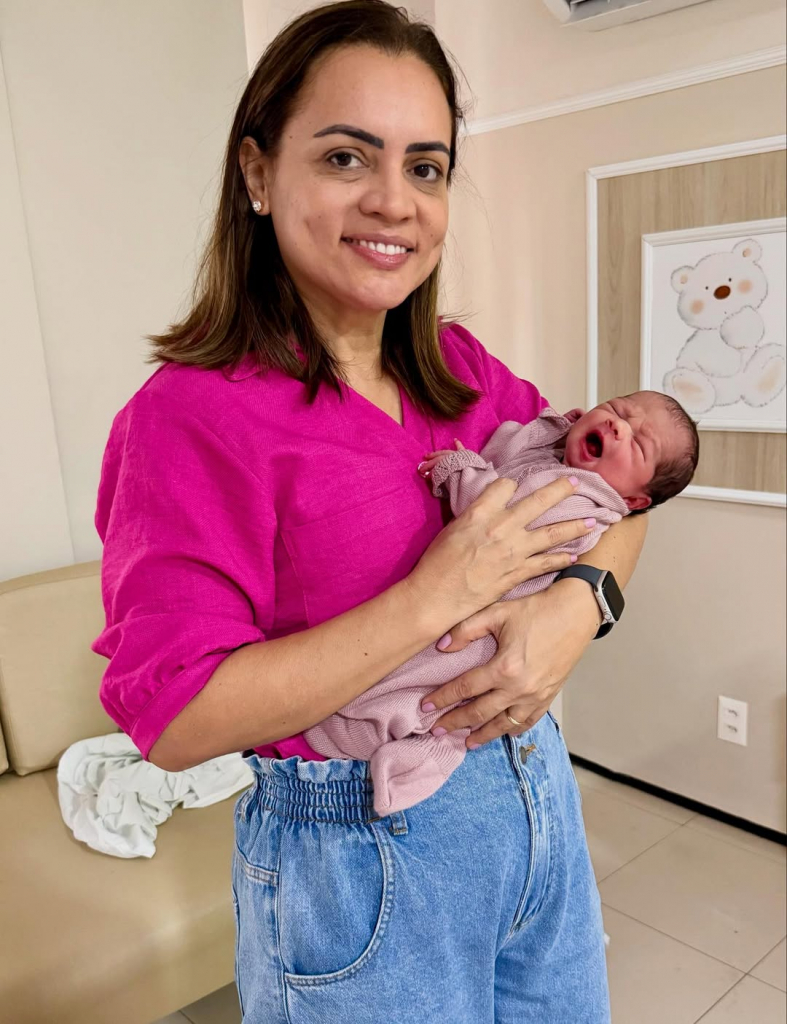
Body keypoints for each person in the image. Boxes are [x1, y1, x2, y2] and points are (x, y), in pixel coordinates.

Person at [91, 3, 649, 1021]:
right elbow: (175, 719)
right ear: (258, 173)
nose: (394, 201)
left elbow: (623, 496)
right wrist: (436, 596)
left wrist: (579, 610)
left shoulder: (460, 373)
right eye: (346, 157)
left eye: (425, 167)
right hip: (362, 860)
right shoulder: (188, 418)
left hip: (533, 804)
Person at [305, 390, 699, 815]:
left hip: (490, 626)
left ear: (634, 501)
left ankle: (396, 737)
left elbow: (495, 521)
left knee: (432, 677)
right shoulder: (561, 462)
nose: (618, 426)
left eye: (638, 443)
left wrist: (460, 468)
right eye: (618, 409)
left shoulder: (579, 498)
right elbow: (510, 446)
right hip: (470, 621)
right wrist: (554, 431)